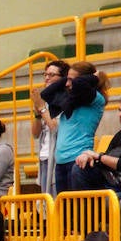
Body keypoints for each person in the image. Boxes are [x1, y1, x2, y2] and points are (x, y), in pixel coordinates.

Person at [45, 61, 109, 193]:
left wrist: (95, 77)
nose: (67, 84)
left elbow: (80, 84)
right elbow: (46, 93)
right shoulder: (70, 101)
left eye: (71, 80)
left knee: (77, 209)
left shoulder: (96, 99)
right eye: (66, 80)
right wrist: (67, 79)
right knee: (65, 210)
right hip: (61, 162)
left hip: (78, 160)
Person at [30, 60, 70, 195]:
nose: (47, 78)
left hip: (57, 157)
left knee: (55, 199)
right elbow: (35, 134)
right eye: (45, 74)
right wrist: (37, 113)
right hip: (44, 156)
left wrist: (41, 108)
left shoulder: (64, 99)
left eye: (52, 75)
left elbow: (55, 128)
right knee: (45, 203)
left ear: (62, 78)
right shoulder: (44, 100)